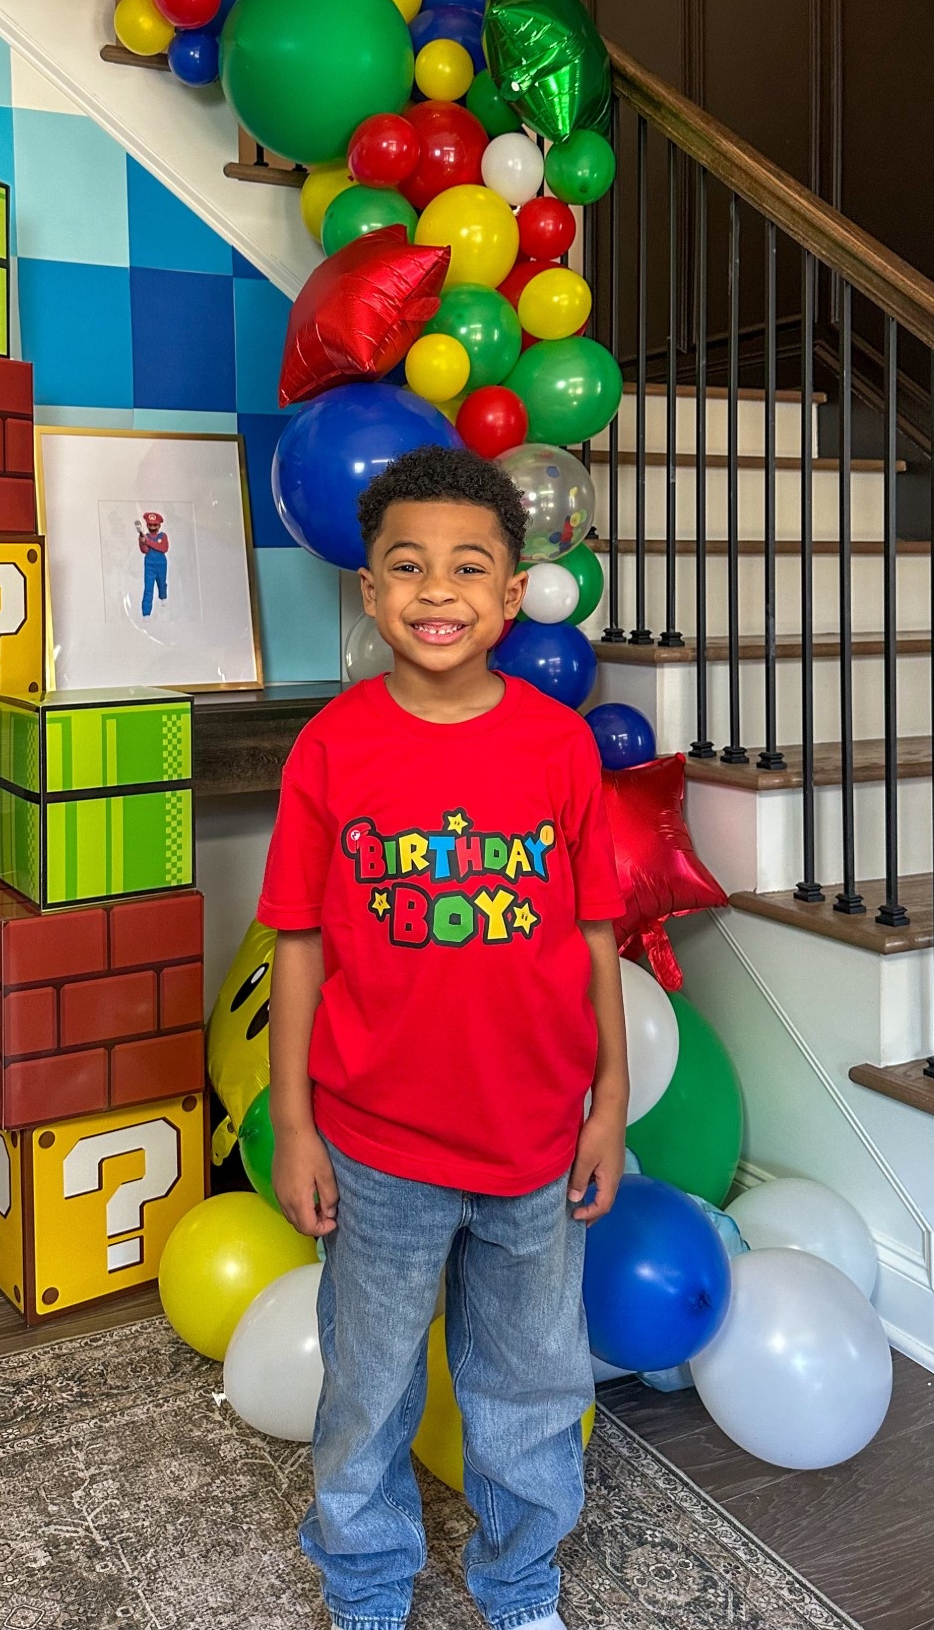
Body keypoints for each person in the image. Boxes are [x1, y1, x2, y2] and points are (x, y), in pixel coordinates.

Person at [258, 444, 629, 1630]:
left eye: (469, 567)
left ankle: (520, 1582)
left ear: (512, 595)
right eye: (406, 566)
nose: (436, 590)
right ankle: (365, 1580)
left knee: (531, 1385)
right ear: (369, 591)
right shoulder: (331, 747)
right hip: (375, 1148)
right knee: (367, 1386)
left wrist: (609, 1102)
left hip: (533, 1143)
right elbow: (299, 946)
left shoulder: (559, 746)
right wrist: (298, 1125)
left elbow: (594, 934)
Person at [136, 510, 168, 616]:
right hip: (149, 565)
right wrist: (142, 542)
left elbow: (164, 548)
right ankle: (146, 613)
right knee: (148, 588)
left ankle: (163, 597)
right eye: (150, 524)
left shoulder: (163, 536)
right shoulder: (145, 536)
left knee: (162, 584)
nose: (153, 527)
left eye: (155, 525)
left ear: (159, 525)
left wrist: (148, 542)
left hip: (161, 564)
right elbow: (145, 551)